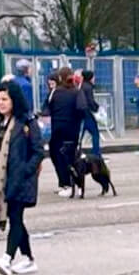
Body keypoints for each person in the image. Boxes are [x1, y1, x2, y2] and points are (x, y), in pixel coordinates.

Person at [0, 77, 45, 275]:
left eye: (5, 99)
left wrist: (26, 170)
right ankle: (28, 258)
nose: (1, 103)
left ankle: (7, 258)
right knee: (15, 218)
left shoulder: (27, 122)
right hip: (1, 180)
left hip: (21, 179)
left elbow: (38, 151)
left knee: (16, 216)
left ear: (14, 100)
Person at [44, 65, 84, 194]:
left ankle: (65, 183)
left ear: (60, 78)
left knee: (57, 155)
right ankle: (75, 183)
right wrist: (77, 120)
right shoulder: (77, 92)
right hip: (73, 130)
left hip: (57, 129)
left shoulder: (55, 92)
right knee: (72, 156)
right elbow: (82, 108)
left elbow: (47, 107)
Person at [78, 69, 101, 154]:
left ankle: (77, 152)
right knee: (95, 133)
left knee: (80, 135)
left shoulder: (81, 86)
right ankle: (96, 153)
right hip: (87, 113)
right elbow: (90, 101)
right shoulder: (88, 87)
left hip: (80, 114)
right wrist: (96, 108)